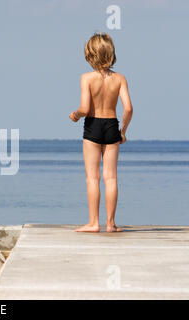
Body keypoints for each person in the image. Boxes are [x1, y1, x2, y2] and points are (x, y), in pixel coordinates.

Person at [69, 33, 133, 232]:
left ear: (90, 55)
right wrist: (122, 131)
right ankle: (111, 224)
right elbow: (129, 108)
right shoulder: (120, 78)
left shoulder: (86, 78)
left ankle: (93, 222)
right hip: (112, 125)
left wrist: (75, 115)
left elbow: (85, 108)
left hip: (93, 127)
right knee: (111, 177)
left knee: (92, 177)